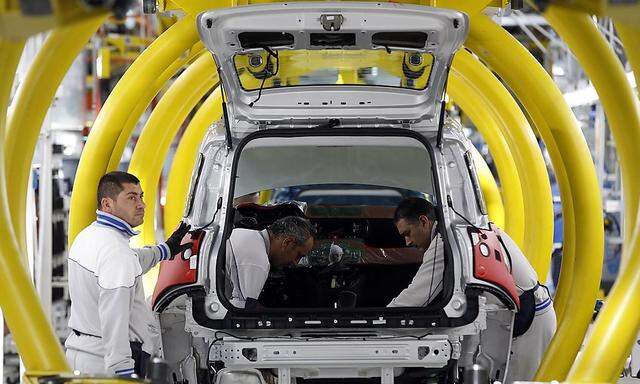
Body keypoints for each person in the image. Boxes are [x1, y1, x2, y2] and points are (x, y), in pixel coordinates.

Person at [388, 197, 556, 382]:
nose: (407, 242)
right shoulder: (455, 230)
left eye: (408, 233)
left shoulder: (446, 242)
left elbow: (415, 298)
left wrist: (379, 323)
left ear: (424, 221)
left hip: (529, 318)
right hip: (511, 315)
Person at [65, 171, 192, 377]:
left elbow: (132, 260)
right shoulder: (116, 252)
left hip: (82, 354)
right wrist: (123, 371)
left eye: (141, 196)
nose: (141, 204)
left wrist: (165, 250)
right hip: (109, 362)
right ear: (107, 204)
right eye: (131, 198)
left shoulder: (90, 236)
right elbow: (114, 319)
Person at [225, 216, 315, 309]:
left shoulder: (246, 235)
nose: (296, 263)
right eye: (298, 255)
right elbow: (242, 311)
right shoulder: (257, 261)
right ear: (287, 242)